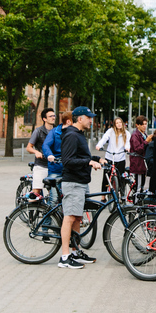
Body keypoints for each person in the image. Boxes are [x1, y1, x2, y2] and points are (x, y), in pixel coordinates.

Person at [58, 106, 102, 269]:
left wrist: (97, 158)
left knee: (77, 217)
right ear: (79, 119)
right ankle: (64, 257)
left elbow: (81, 156)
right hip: (73, 182)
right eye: (88, 117)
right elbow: (67, 161)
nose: (91, 120)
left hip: (81, 182)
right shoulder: (70, 135)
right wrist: (89, 162)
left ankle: (75, 251)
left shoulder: (78, 135)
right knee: (69, 217)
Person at [25, 108, 56, 201]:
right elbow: (28, 147)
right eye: (51, 116)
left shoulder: (57, 131)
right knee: (36, 194)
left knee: (54, 195)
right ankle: (32, 213)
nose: (53, 118)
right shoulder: (38, 131)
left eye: (54, 116)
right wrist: (36, 152)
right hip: (41, 165)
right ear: (44, 119)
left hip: (53, 166)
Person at [96, 116, 130, 198]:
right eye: (117, 123)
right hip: (110, 157)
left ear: (122, 123)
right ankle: (103, 196)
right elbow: (104, 138)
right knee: (106, 177)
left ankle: (121, 195)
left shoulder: (126, 133)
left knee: (121, 178)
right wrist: (99, 145)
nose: (119, 124)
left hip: (121, 158)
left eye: (120, 122)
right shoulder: (110, 131)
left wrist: (127, 148)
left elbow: (127, 143)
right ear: (114, 124)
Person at [129, 115, 149, 193]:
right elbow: (138, 149)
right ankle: (136, 202)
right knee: (139, 186)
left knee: (142, 184)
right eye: (142, 124)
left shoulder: (144, 134)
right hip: (137, 164)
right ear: (137, 125)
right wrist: (146, 141)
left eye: (145, 124)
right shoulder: (135, 135)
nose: (144, 126)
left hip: (142, 164)